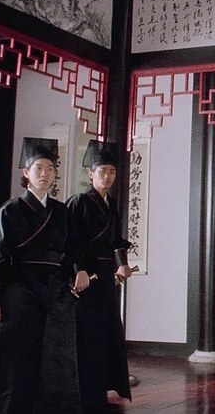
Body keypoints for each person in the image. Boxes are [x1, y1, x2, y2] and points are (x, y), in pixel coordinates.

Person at [0, 137, 81, 413]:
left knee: (54, 359)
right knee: (16, 359)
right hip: (19, 291)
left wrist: (77, 274)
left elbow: (70, 252)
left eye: (50, 169)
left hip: (54, 294)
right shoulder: (10, 210)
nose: (45, 174)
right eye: (39, 168)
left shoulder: (61, 211)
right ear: (26, 173)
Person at [65, 139, 133, 413]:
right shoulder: (79, 202)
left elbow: (116, 241)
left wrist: (122, 264)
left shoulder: (110, 204)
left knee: (107, 333)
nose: (107, 176)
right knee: (87, 336)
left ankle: (102, 390)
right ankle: (83, 395)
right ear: (90, 173)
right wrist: (78, 270)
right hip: (85, 279)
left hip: (106, 279)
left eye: (112, 171)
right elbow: (70, 241)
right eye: (102, 171)